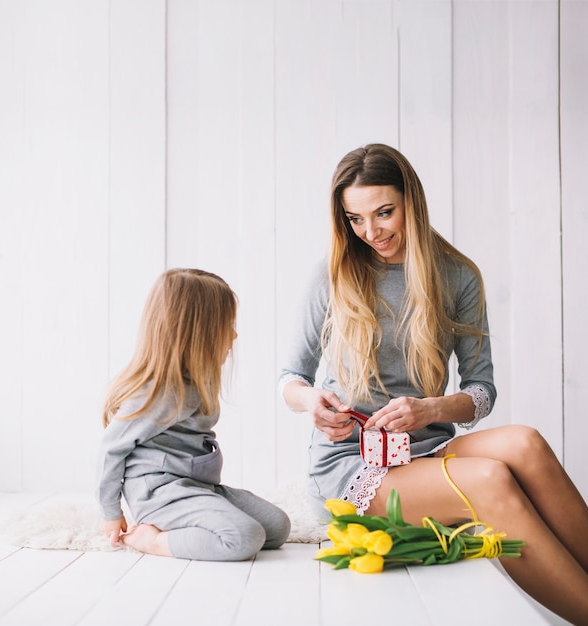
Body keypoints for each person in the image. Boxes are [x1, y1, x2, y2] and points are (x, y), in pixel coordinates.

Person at [279, 144, 588, 624]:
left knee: (525, 442)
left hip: (425, 449)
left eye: (384, 212)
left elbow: (481, 393)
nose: (371, 231)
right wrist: (309, 401)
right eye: (355, 219)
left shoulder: (458, 276)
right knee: (490, 479)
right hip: (353, 466)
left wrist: (428, 411)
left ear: (412, 203)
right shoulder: (333, 274)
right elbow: (290, 377)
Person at [97, 268, 290, 561]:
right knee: (243, 537)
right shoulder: (159, 393)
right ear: (198, 333)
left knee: (277, 527)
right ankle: (152, 541)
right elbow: (111, 449)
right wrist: (111, 513)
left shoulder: (196, 382)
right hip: (159, 494)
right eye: (227, 325)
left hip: (196, 486)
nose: (235, 334)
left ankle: (196, 518)